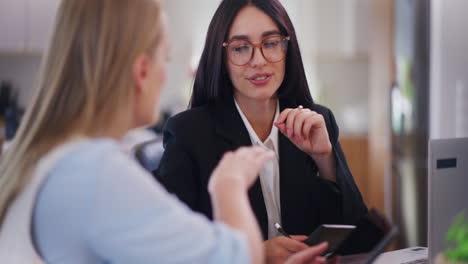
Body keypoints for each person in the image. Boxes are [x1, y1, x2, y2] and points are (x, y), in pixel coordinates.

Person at [0, 0, 332, 263]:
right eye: (166, 58)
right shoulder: (98, 173)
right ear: (142, 71)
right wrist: (228, 185)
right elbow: (232, 258)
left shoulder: (34, 158)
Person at [154, 0, 368, 263]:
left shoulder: (316, 120)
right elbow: (169, 246)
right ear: (221, 57)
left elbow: (360, 239)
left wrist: (325, 160)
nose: (258, 61)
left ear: (287, 48)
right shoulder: (188, 132)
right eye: (241, 48)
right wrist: (254, 254)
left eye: (270, 43)